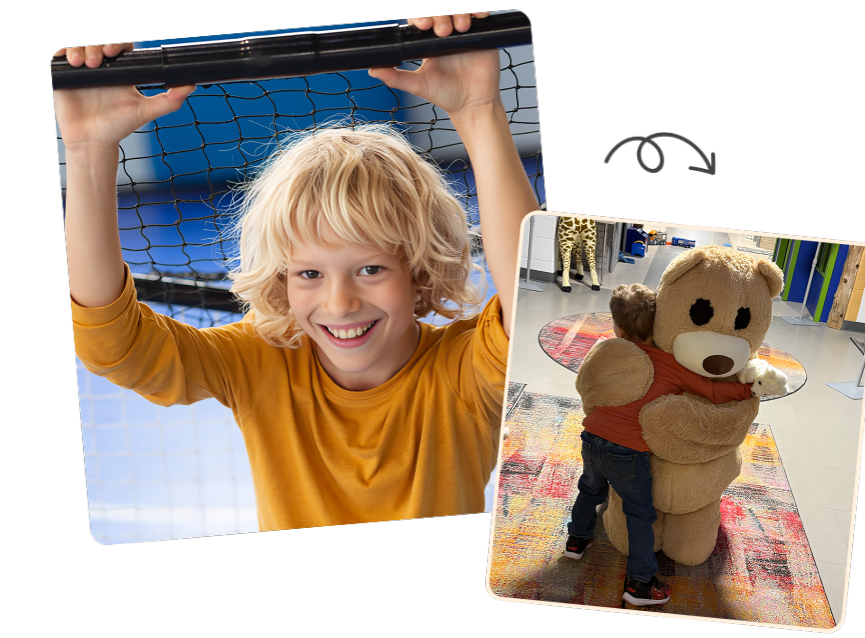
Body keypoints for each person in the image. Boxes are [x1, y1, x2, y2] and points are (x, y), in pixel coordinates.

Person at [56, 13, 539, 532]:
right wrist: (87, 153)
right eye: (309, 273)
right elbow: (114, 347)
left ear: (420, 271)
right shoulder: (258, 366)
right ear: (281, 279)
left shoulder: (462, 376)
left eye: (370, 268)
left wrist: (480, 112)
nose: (340, 303)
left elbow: (537, 307)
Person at [566, 283, 754, 607]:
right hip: (627, 453)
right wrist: (745, 391)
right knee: (640, 512)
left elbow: (588, 381)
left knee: (589, 489)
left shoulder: (609, 351)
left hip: (591, 437)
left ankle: (576, 540)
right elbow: (711, 391)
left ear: (618, 328)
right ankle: (639, 584)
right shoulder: (671, 365)